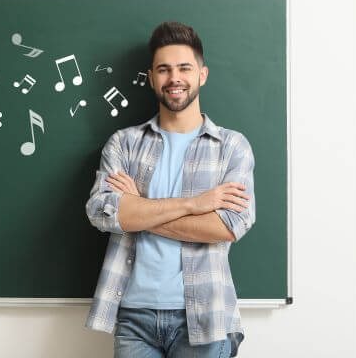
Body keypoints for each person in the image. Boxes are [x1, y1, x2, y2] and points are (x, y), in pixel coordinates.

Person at [84, 21, 256, 358]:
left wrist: (138, 208)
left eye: (184, 68)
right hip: (133, 317)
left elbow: (226, 227)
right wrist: (195, 204)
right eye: (163, 69)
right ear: (151, 77)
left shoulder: (231, 146)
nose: (174, 78)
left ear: (202, 75)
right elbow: (102, 213)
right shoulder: (125, 144)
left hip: (205, 317)